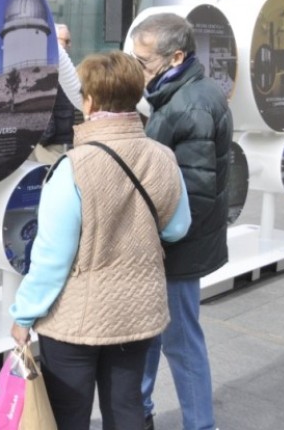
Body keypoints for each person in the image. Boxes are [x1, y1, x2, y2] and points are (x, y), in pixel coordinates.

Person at [10, 50, 192, 430]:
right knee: (126, 408)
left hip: (78, 319)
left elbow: (52, 256)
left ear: (89, 102)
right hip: (138, 309)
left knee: (69, 414)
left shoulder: (73, 167)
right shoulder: (163, 157)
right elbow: (177, 228)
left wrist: (23, 315)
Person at [130, 13, 233, 430]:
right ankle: (139, 413)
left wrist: (154, 236)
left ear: (175, 57)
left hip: (178, 246)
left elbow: (195, 192)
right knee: (152, 334)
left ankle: (200, 424)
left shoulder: (190, 103)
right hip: (173, 242)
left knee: (180, 341)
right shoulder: (179, 91)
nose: (138, 71)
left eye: (143, 62)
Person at [33, 23, 77, 164]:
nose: (69, 45)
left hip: (51, 147)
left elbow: (47, 123)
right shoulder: (55, 71)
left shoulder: (51, 71)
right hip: (56, 147)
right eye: (66, 40)